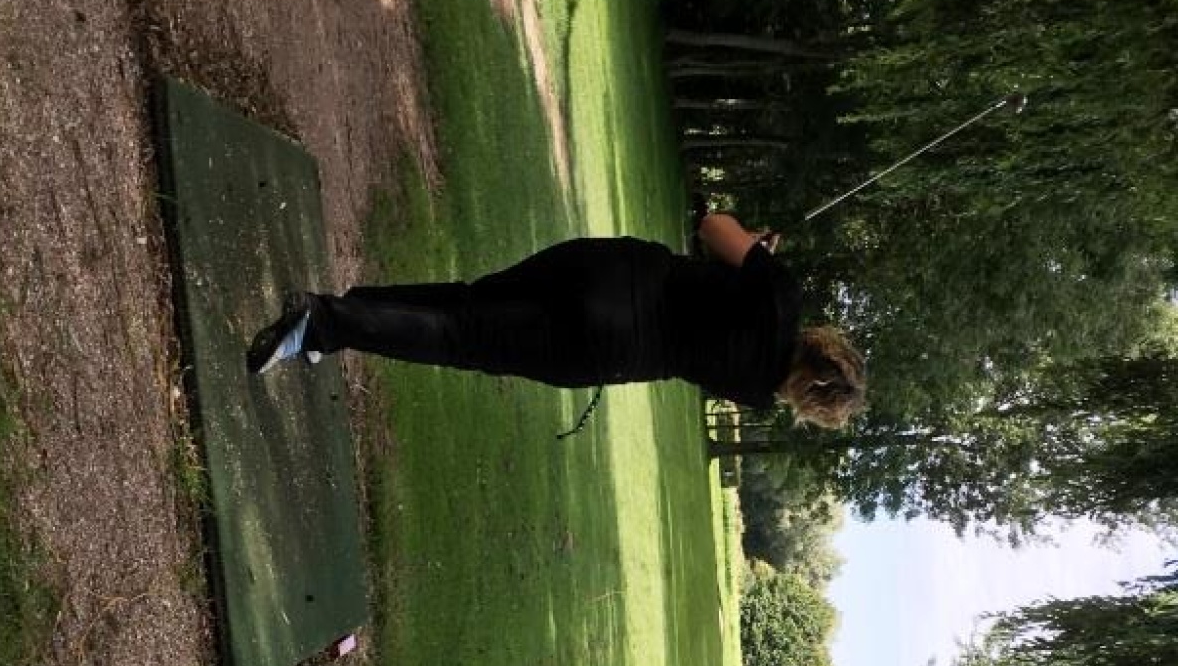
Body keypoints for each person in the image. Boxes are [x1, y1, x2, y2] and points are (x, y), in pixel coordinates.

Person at [244, 209, 866, 429]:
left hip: (613, 268)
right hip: (606, 345)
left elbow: (711, 226)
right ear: (808, 397)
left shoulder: (783, 291)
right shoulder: (756, 392)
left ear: (824, 342)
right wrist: (749, 265)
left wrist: (755, 250)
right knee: (464, 338)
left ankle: (345, 314)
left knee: (469, 301)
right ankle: (323, 322)